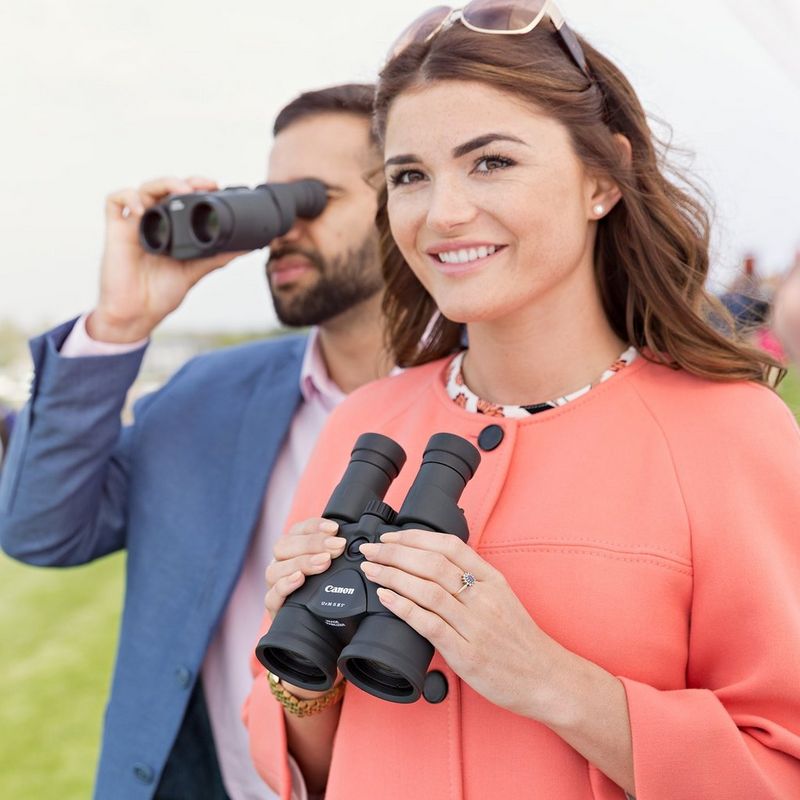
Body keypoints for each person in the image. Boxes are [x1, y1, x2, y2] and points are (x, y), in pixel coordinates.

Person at [244, 5, 800, 799]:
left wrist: (549, 681)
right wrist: (304, 675)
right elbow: (320, 768)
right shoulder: (364, 425)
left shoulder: (729, 433)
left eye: (492, 162)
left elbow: (781, 768)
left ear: (603, 176)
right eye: (410, 176)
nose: (442, 213)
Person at [0, 83, 391, 800]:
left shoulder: (486, 404)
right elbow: (39, 530)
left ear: (408, 204)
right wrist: (118, 326)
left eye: (314, 199)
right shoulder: (206, 397)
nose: (284, 229)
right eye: (274, 202)